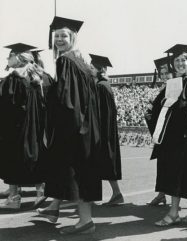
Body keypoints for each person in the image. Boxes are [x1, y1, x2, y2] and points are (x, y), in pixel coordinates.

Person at [39, 16, 101, 234]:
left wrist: (46, 86)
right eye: (56, 36)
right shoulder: (82, 63)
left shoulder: (65, 61)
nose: (59, 40)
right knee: (82, 172)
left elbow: (66, 99)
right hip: (87, 126)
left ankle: (85, 222)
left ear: (73, 37)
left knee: (75, 172)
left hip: (74, 128)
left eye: (63, 36)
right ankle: (62, 211)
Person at [151, 44, 187, 226]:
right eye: (177, 60)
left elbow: (184, 108)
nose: (180, 63)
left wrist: (168, 104)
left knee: (176, 174)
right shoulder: (176, 82)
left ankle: (173, 213)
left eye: (183, 60)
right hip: (184, 136)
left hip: (182, 136)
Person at [0, 43, 53, 210]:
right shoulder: (41, 76)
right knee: (37, 156)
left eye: (10, 56)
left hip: (16, 127)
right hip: (39, 127)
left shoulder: (14, 78)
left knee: (12, 158)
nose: (7, 59)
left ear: (18, 57)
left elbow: (8, 106)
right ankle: (41, 192)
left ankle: (14, 197)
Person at [89, 54, 124, 206]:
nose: (89, 70)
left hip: (102, 130)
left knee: (104, 162)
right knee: (104, 163)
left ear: (100, 69)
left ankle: (115, 194)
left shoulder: (101, 87)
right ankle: (116, 194)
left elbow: (102, 112)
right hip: (104, 129)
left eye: (91, 68)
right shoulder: (101, 85)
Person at [144, 56, 171, 206]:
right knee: (162, 165)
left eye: (166, 72)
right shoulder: (164, 89)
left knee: (177, 166)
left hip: (173, 135)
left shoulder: (175, 88)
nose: (163, 75)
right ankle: (161, 194)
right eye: (161, 73)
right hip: (163, 135)